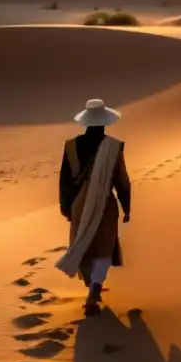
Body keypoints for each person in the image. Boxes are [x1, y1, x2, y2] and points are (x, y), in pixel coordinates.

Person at [54, 98, 132, 316]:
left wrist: (66, 207)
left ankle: (92, 288)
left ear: (86, 122)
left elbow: (65, 181)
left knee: (83, 246)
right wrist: (127, 207)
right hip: (105, 206)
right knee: (104, 248)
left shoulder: (71, 147)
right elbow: (122, 181)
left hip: (79, 205)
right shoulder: (114, 147)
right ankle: (95, 289)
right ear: (105, 122)